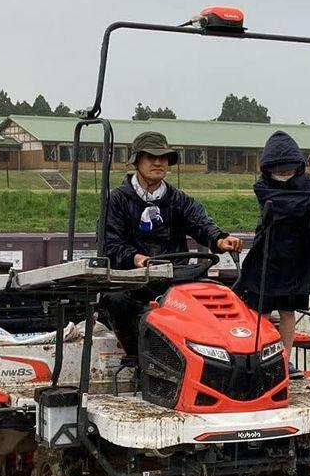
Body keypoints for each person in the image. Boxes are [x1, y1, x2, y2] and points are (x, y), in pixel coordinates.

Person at [100, 131, 242, 359]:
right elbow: (111, 242)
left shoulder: (178, 200)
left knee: (217, 296)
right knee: (116, 301)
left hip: (175, 278)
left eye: (163, 158)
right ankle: (141, 361)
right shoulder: (117, 200)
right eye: (150, 157)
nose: (158, 162)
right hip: (133, 280)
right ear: (137, 161)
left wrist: (219, 239)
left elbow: (200, 222)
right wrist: (136, 259)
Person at [237, 130, 310, 379]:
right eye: (279, 171)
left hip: (297, 255)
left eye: (288, 170)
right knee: (262, 310)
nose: (284, 175)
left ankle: (284, 359)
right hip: (268, 253)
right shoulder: (263, 186)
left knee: (289, 310)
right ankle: (260, 355)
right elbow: (278, 207)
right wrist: (305, 205)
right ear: (268, 169)